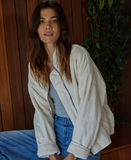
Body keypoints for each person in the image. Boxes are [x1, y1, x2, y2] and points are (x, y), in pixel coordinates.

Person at [0, 0, 114, 160]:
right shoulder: (35, 64)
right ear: (36, 29)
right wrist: (50, 153)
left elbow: (90, 106)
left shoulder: (77, 54)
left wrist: (74, 154)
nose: (48, 26)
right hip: (55, 131)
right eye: (42, 21)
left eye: (54, 21)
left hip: (83, 133)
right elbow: (41, 111)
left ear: (61, 26)